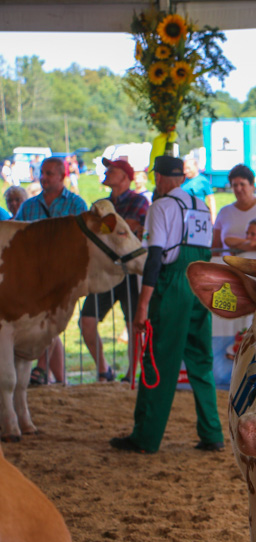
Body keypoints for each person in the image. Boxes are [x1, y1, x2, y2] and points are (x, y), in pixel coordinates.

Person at [111, 155, 224, 454]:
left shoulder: (160, 206)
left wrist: (142, 304)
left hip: (172, 286)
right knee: (201, 360)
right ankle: (212, 432)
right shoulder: (201, 206)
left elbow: (155, 257)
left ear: (159, 178)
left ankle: (146, 437)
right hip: (199, 283)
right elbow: (206, 250)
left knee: (158, 359)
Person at [16, 157, 88, 387]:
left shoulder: (77, 205)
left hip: (63, 274)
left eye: (49, 173)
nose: (43, 178)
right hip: (34, 275)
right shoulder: (28, 206)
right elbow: (18, 240)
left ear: (61, 176)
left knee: (50, 323)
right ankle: (58, 379)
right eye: (42, 173)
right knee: (47, 325)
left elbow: (83, 241)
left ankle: (43, 370)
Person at [79, 159, 150, 382]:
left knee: (133, 323)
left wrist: (116, 229)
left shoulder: (138, 201)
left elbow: (130, 229)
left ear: (125, 177)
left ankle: (131, 373)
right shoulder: (101, 204)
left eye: (113, 170)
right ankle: (103, 369)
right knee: (87, 322)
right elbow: (113, 230)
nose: (107, 172)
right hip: (104, 271)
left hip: (128, 273)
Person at [212, 164, 256, 253]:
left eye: (242, 184)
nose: (238, 189)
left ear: (252, 185)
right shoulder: (224, 212)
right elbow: (216, 246)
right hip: (229, 265)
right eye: (235, 185)